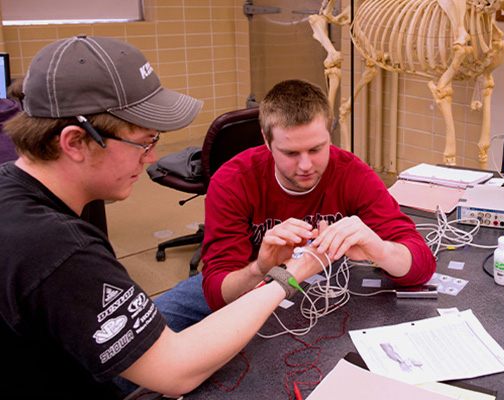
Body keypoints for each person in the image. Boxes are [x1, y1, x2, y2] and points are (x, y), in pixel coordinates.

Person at [0, 36, 327, 399]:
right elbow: (176, 372)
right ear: (76, 142)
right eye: (145, 141)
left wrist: (254, 272)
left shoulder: (12, 190)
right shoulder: (59, 250)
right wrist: (288, 275)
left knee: (192, 291)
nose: (153, 158)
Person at [200, 79, 437, 312]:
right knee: (168, 317)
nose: (305, 165)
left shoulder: (353, 174)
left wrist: (379, 249)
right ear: (266, 140)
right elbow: (215, 297)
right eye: (291, 153)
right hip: (252, 281)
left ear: (330, 130)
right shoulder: (232, 181)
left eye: (316, 149)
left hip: (327, 278)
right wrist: (260, 269)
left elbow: (423, 267)